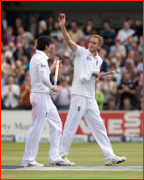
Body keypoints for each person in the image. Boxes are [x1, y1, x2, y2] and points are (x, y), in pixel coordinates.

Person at [58, 14, 126, 166]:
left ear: (99, 45)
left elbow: (92, 78)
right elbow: (69, 40)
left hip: (90, 97)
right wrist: (63, 26)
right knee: (71, 125)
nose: (91, 44)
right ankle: (61, 156)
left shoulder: (99, 59)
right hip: (79, 94)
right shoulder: (82, 52)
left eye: (94, 43)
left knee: (99, 126)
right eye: (90, 42)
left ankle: (109, 156)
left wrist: (95, 76)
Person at [21, 35, 73, 167]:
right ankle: (28, 160)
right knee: (36, 129)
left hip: (43, 96)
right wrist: (52, 87)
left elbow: (42, 75)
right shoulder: (40, 59)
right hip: (40, 96)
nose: (52, 47)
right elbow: (44, 78)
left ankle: (54, 156)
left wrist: (54, 66)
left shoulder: (38, 58)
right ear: (46, 46)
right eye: (50, 44)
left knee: (56, 124)